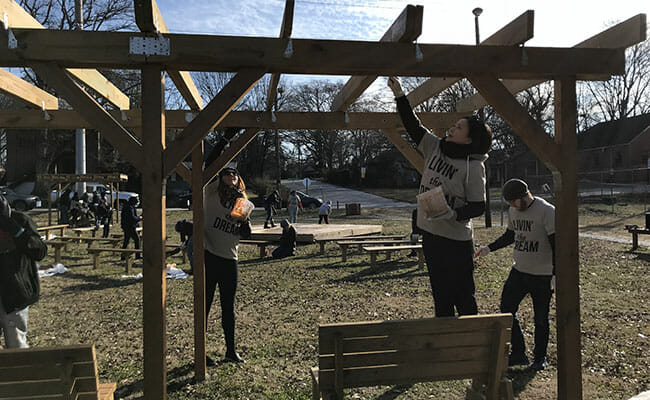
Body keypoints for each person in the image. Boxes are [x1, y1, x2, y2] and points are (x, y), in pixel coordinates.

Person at [388, 76, 492, 317]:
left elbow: (478, 206)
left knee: (464, 297)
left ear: (469, 139)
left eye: (458, 127)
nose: (451, 128)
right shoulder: (436, 147)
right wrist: (400, 96)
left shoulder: (474, 166)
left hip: (456, 241)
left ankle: (471, 346)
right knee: (441, 297)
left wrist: (454, 213)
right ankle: (445, 346)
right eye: (454, 125)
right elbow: (413, 126)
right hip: (432, 236)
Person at [476, 179, 555, 371]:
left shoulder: (547, 211)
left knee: (541, 318)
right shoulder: (513, 210)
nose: (511, 206)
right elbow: (510, 236)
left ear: (524, 197)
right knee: (506, 309)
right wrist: (489, 248)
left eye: (513, 202)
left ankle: (540, 358)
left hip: (542, 275)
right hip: (519, 271)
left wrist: (556, 274)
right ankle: (519, 354)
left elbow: (557, 244)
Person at [203, 165, 252, 365]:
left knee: (228, 308)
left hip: (230, 259)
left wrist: (244, 223)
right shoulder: (211, 192)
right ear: (219, 177)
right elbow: (210, 164)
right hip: (209, 255)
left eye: (234, 173)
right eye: (226, 173)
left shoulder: (242, 201)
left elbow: (246, 234)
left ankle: (231, 351)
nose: (231, 175)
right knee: (204, 306)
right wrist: (226, 138)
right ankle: (201, 352)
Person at [0, 194, 47, 348]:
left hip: (14, 296)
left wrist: (17, 231)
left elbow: (39, 252)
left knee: (17, 349)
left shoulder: (19, 220)